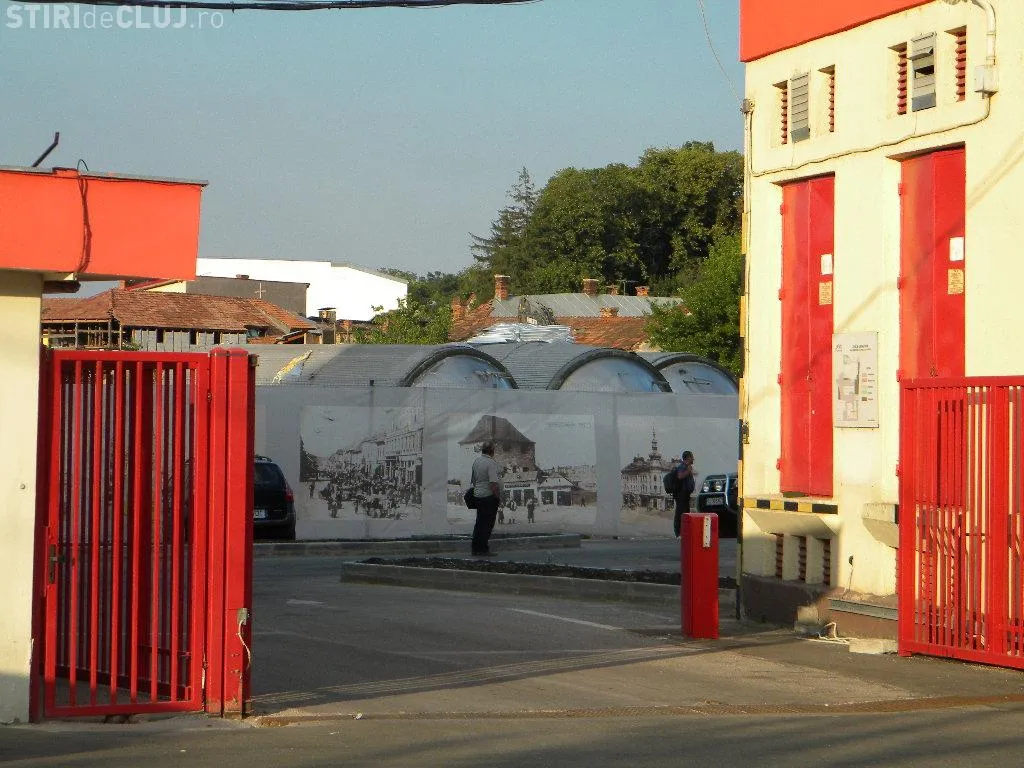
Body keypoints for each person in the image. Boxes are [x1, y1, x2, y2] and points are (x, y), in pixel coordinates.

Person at [469, 442, 502, 556]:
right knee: (487, 524)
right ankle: (483, 549)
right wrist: (497, 497)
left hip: (478, 495)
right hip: (488, 497)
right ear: (492, 451)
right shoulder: (491, 463)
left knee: (479, 522)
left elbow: (473, 480)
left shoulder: (476, 462)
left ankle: (475, 548)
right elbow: (493, 483)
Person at [673, 450, 697, 538]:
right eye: (692, 457)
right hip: (681, 494)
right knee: (681, 513)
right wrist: (688, 471)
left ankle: (684, 532)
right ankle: (678, 533)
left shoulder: (686, 466)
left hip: (686, 494)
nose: (693, 459)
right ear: (688, 458)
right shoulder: (682, 466)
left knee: (685, 513)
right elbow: (680, 476)